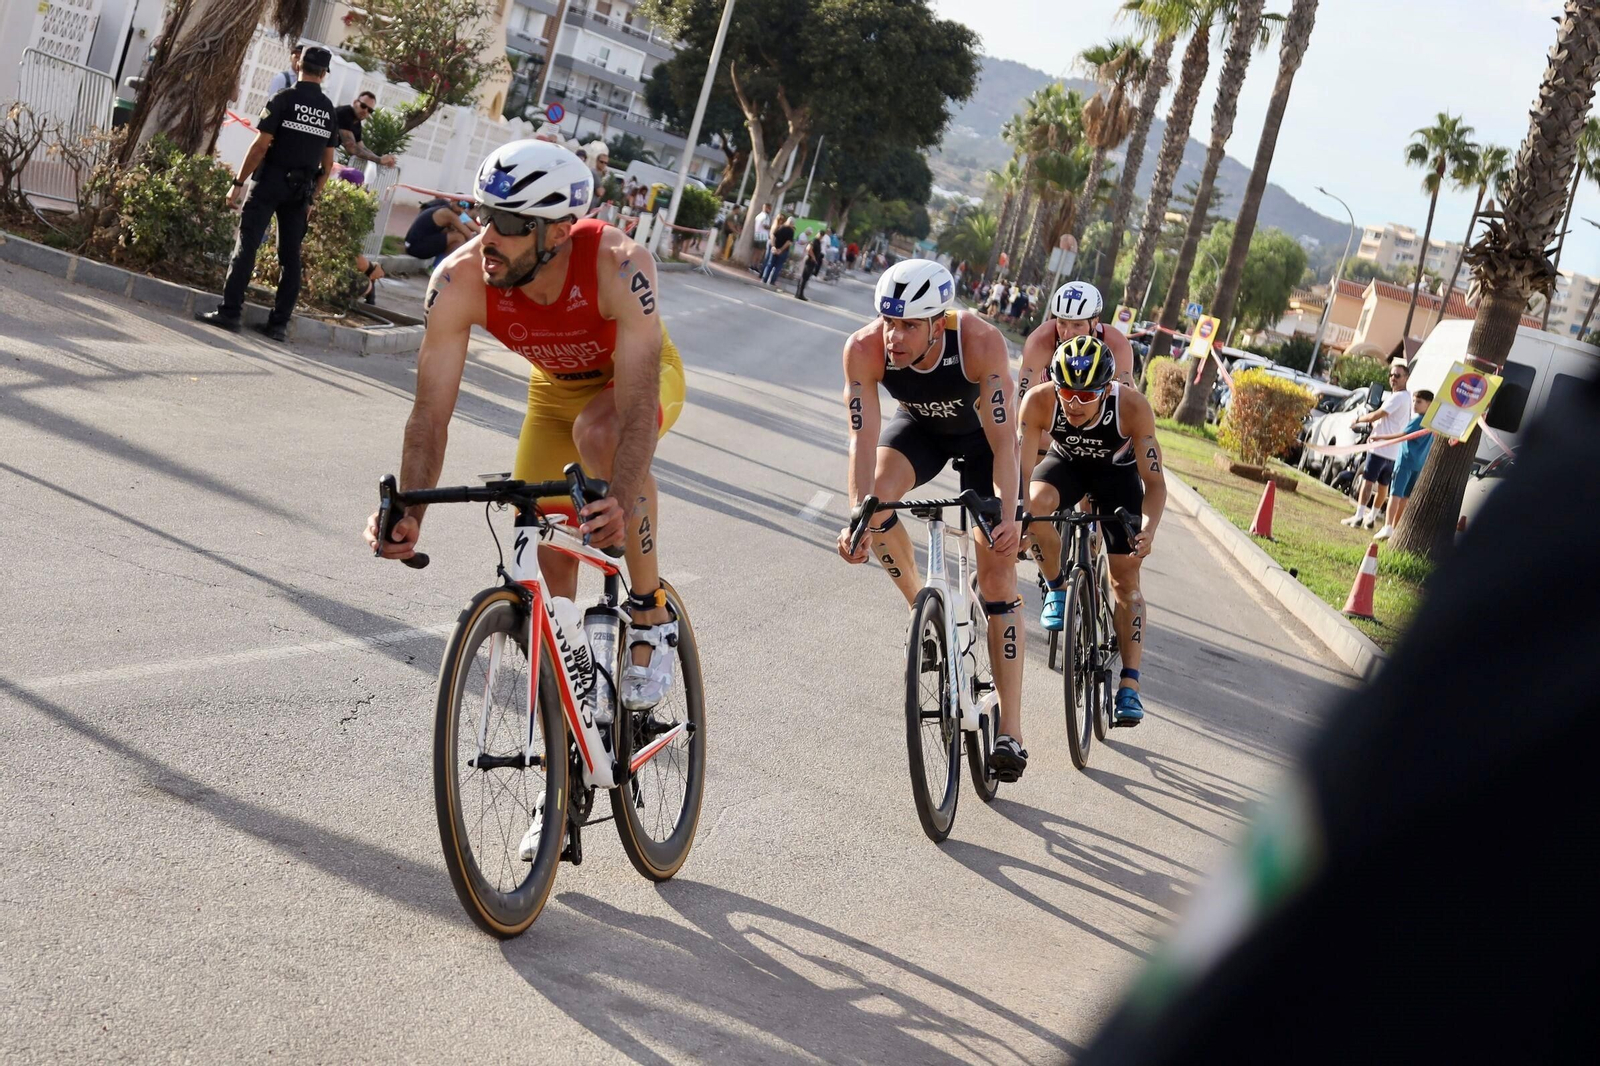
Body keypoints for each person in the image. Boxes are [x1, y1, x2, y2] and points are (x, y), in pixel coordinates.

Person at [364, 139, 686, 709]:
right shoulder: (460, 279)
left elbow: (635, 409)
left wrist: (623, 495)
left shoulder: (619, 263)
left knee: (600, 434)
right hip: (555, 395)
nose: (487, 235)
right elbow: (430, 414)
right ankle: (576, 719)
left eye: (509, 222)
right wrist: (410, 508)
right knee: (544, 551)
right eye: (483, 214)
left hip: (634, 384)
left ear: (559, 232)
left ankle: (649, 614)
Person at [835, 259, 1028, 780]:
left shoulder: (980, 342)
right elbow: (862, 437)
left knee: (997, 573)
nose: (894, 337)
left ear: (938, 322)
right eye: (888, 322)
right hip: (920, 430)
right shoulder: (864, 348)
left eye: (909, 326)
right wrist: (858, 512)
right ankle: (927, 610)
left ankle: (1010, 729)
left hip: (984, 443)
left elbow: (1006, 446)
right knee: (875, 504)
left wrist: (1007, 516)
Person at [1019, 334, 1166, 726]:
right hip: (1065, 465)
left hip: (1116, 479)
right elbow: (1019, 476)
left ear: (1107, 388)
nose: (1074, 403)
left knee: (1125, 581)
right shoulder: (1039, 402)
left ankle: (1130, 686)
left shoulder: (1132, 407)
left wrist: (1148, 528)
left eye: (1087, 396)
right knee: (1033, 508)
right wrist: (1017, 520)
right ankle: (1056, 586)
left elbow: (1154, 483)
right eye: (1067, 391)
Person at [197, 45, 339, 343]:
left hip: (271, 182)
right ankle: (278, 325)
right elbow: (328, 164)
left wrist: (238, 182)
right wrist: (313, 198)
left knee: (247, 246)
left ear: (299, 64)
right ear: (324, 73)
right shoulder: (327, 111)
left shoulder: (283, 100)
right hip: (300, 192)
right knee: (290, 257)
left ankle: (230, 312)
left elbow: (261, 146)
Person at [1017, 281, 1138, 399]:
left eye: (1077, 325)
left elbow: (1127, 401)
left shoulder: (1116, 344)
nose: (1068, 334)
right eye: (1062, 323)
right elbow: (1024, 399)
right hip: (1048, 404)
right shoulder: (1041, 340)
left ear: (1094, 322)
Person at [1342, 361, 1412, 529]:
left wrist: (1358, 419)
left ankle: (1359, 516)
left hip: (1380, 449)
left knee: (1367, 482)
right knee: (1383, 487)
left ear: (1406, 378)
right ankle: (1371, 517)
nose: (1393, 378)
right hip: (1393, 452)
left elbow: (1377, 415)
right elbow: (1389, 420)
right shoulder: (1407, 398)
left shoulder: (1398, 397)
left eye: (1397, 375)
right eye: (1391, 375)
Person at [1370, 389, 1435, 541]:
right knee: (1404, 497)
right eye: (1413, 401)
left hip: (1405, 461)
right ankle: (1395, 527)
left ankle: (1388, 526)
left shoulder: (1419, 419)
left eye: (1419, 402)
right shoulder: (1432, 422)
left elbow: (1403, 434)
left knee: (1395, 494)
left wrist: (1381, 437)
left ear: (1429, 404)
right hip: (1418, 464)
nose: (1414, 404)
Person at [404, 197, 479, 263]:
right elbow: (469, 235)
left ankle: (438, 266)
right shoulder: (447, 213)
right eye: (460, 203)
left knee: (453, 233)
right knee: (459, 237)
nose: (462, 207)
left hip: (412, 245)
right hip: (415, 247)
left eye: (465, 205)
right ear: (452, 201)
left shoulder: (443, 208)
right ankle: (441, 268)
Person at [334, 91, 396, 169]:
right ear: (355, 102)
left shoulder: (356, 123)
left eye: (370, 110)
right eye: (363, 106)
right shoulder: (345, 113)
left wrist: (382, 159)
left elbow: (362, 147)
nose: (365, 111)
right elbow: (351, 147)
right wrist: (379, 160)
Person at [762, 215, 794, 287]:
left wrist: (773, 247)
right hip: (783, 251)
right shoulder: (791, 231)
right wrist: (781, 249)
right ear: (792, 223)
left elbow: (773, 236)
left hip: (775, 248)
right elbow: (788, 242)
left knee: (770, 264)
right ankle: (772, 281)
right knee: (778, 266)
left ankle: (764, 279)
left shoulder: (780, 227)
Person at [796, 225, 825, 301]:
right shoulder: (814, 240)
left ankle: (799, 293)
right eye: (820, 234)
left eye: (822, 235)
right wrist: (813, 258)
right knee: (804, 277)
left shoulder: (818, 242)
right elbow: (809, 249)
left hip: (812, 261)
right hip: (809, 260)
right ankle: (799, 293)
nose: (821, 236)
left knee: (805, 278)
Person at [749, 201, 772, 271]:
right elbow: (765, 226)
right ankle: (756, 266)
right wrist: (771, 227)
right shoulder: (766, 216)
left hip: (757, 235)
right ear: (767, 208)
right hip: (763, 236)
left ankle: (752, 264)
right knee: (760, 252)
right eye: (770, 208)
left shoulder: (758, 216)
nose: (770, 210)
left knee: (755, 251)